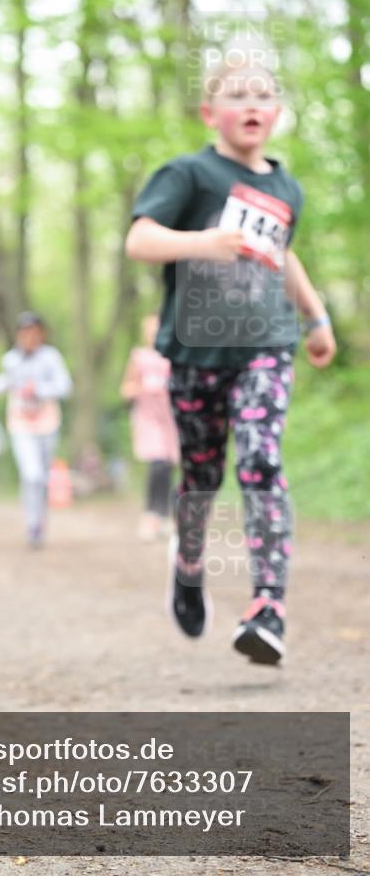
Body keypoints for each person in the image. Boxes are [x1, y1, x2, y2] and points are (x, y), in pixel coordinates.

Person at [125, 53, 336, 665]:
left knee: (261, 459)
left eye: (263, 95)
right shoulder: (190, 174)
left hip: (266, 347)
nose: (251, 104)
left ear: (275, 114)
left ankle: (269, 606)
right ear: (209, 111)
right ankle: (189, 564)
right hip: (195, 353)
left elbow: (285, 255)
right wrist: (202, 243)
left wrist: (316, 316)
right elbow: (139, 239)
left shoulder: (285, 186)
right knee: (200, 478)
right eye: (236, 95)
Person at [0, 312, 72, 547]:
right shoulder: (11, 359)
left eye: (34, 331)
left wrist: (40, 390)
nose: (29, 337)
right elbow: (7, 381)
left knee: (41, 477)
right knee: (30, 474)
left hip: (47, 423)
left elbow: (64, 386)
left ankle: (40, 522)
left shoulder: (51, 358)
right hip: (21, 423)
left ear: (41, 334)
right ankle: (32, 524)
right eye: (25, 332)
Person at [120, 314, 180, 541]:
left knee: (171, 466)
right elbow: (126, 389)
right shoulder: (139, 357)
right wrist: (144, 389)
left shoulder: (175, 356)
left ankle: (170, 517)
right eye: (150, 330)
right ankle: (151, 515)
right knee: (158, 464)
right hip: (148, 419)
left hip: (172, 419)